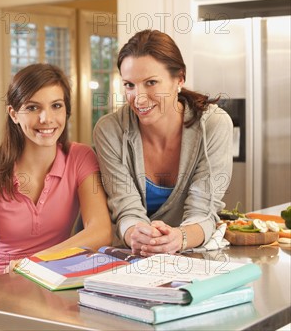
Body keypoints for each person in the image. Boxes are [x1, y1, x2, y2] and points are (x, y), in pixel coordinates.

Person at [0, 63, 112, 282]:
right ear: (14, 114)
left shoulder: (80, 158)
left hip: (50, 279)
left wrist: (34, 262)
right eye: (33, 108)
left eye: (56, 106)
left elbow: (100, 231)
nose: (46, 119)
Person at [93, 29, 233, 256]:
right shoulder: (110, 130)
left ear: (179, 79)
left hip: (189, 254)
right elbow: (125, 208)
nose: (138, 98)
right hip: (131, 254)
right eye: (129, 85)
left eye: (151, 83)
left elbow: (204, 210)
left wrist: (180, 238)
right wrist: (137, 236)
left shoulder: (214, 125)